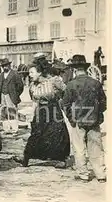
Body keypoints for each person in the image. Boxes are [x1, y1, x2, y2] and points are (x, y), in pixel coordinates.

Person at [13, 63, 70, 168]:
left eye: (32, 72)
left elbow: (66, 91)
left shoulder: (53, 81)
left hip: (53, 110)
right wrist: (32, 115)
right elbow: (34, 101)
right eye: (29, 73)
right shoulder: (32, 86)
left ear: (39, 72)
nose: (29, 75)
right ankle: (25, 158)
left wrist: (60, 100)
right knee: (36, 134)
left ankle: (61, 159)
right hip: (40, 111)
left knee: (57, 134)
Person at [61, 54, 107, 183]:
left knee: (79, 148)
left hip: (78, 121)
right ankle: (100, 175)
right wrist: (98, 114)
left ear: (74, 69)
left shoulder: (71, 85)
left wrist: (71, 118)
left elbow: (65, 104)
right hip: (93, 120)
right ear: (86, 68)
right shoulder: (96, 83)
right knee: (96, 147)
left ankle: (83, 174)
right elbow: (103, 103)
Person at [0, 58, 24, 134]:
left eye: (6, 66)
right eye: (3, 66)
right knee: (4, 112)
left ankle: (14, 129)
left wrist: (15, 94)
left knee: (12, 112)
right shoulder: (1, 75)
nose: (4, 67)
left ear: (9, 65)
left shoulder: (15, 74)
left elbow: (20, 86)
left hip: (11, 96)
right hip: (2, 95)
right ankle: (6, 129)